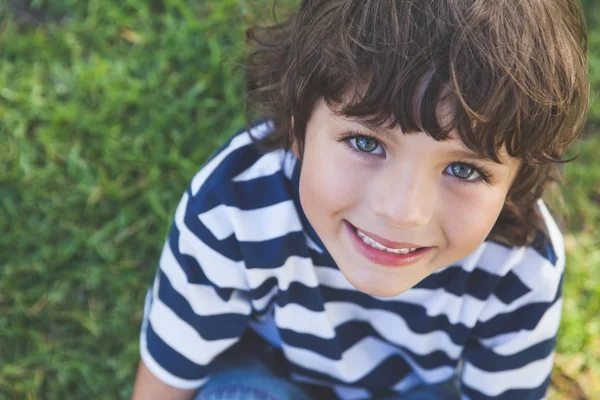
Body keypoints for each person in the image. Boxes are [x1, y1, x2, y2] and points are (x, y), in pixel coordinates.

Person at [131, 0, 589, 399]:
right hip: (268, 373)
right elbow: (172, 366)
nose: (402, 210)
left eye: (464, 169)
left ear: (518, 179)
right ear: (297, 119)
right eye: (366, 144)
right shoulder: (234, 207)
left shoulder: (519, 266)